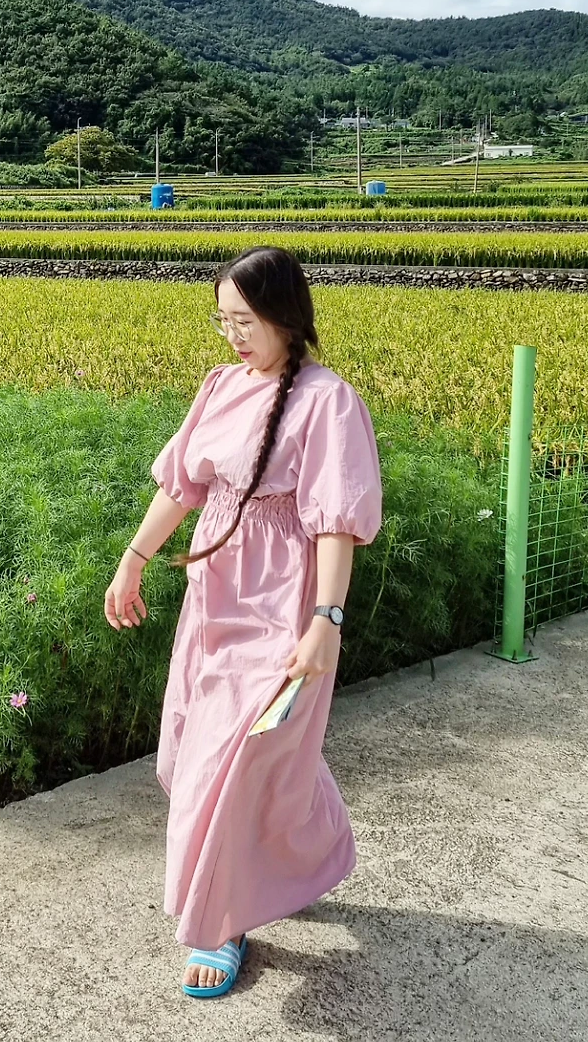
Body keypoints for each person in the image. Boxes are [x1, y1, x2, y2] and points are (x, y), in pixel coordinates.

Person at [104, 245, 383, 1000]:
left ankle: (220, 923)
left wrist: (326, 619)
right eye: (223, 320)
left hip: (282, 596)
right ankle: (308, 845)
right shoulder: (221, 386)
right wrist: (133, 559)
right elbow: (183, 486)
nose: (233, 335)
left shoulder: (328, 401)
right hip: (215, 589)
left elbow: (335, 522)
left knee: (228, 759)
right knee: (195, 748)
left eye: (245, 321)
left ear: (285, 317)